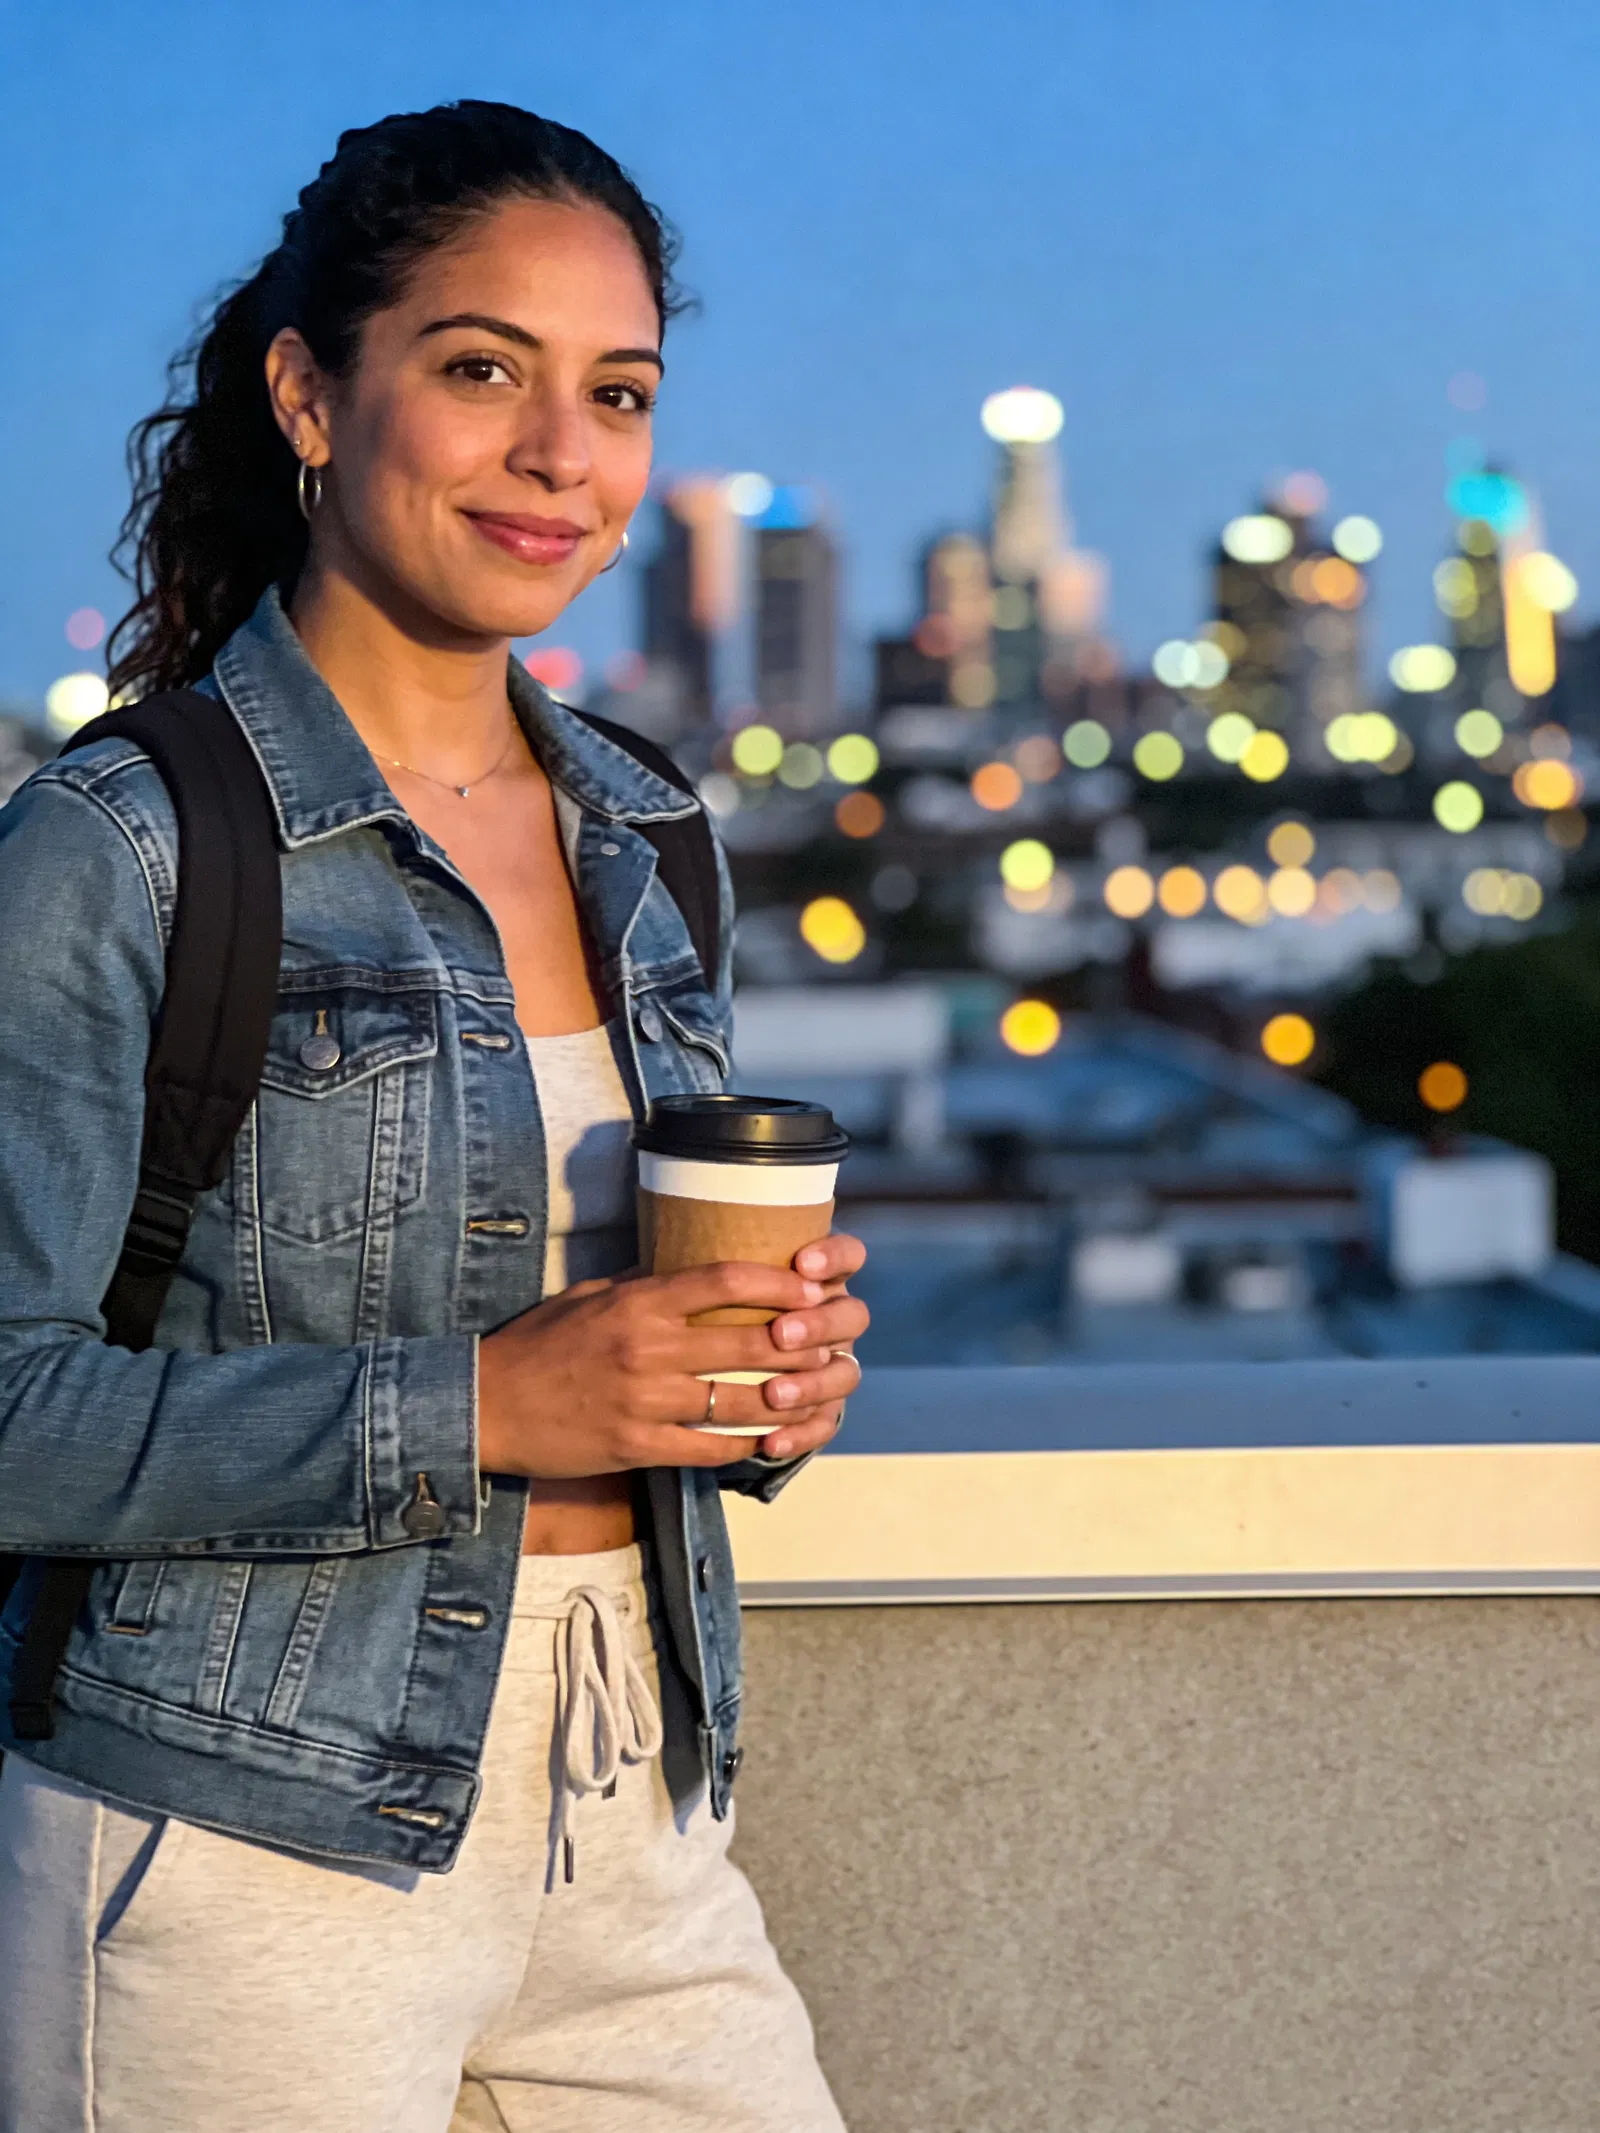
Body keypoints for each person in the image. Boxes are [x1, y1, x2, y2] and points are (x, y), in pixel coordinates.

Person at [0, 100, 865, 2133]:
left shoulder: (646, 835)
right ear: (313, 392)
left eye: (617, 392)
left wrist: (750, 1382)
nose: (563, 453)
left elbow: (606, 1330)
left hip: (629, 1795)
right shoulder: (123, 846)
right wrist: (489, 1403)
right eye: (482, 369)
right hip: (234, 1832)